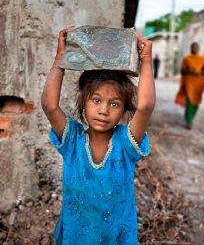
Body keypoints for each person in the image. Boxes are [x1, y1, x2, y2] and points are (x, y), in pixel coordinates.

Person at [41, 26, 155, 245]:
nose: (104, 110)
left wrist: (147, 61)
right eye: (96, 100)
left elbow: (146, 106)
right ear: (84, 102)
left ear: (123, 110)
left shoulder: (126, 144)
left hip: (116, 239)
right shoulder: (72, 141)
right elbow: (49, 104)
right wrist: (60, 58)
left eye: (114, 104)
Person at [175, 42, 204, 129]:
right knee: (189, 100)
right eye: (194, 47)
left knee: (196, 102)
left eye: (197, 48)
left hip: (198, 83)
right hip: (189, 83)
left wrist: (199, 72)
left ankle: (191, 116)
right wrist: (190, 71)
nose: (195, 49)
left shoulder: (202, 59)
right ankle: (189, 121)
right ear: (191, 48)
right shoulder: (187, 59)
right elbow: (182, 71)